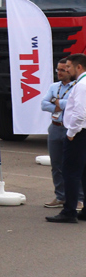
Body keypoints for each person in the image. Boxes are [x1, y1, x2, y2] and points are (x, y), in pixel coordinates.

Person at [47, 52, 86, 223]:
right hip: (81, 132)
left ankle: (69, 211)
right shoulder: (82, 83)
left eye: (69, 66)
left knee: (70, 171)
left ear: (79, 67)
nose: (66, 69)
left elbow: (80, 113)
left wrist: (71, 133)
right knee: (83, 171)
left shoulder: (82, 85)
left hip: (78, 133)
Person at [40, 59, 75, 208]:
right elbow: (43, 104)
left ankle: (78, 198)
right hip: (55, 127)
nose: (59, 73)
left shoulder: (77, 87)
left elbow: (74, 105)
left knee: (74, 164)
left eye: (62, 70)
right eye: (57, 70)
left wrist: (56, 102)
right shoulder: (54, 86)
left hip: (70, 128)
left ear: (70, 71)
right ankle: (60, 196)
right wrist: (60, 104)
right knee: (56, 164)